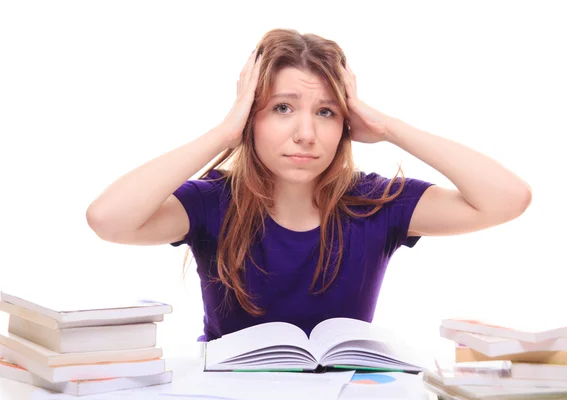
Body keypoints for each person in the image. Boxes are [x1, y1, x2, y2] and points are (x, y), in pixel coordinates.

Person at [86, 29, 532, 342]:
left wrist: (389, 126)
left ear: (347, 124)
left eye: (326, 112)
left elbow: (507, 199)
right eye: (282, 107)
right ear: (250, 116)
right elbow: (108, 220)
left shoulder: (374, 203)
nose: (305, 133)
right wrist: (224, 133)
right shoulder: (211, 202)